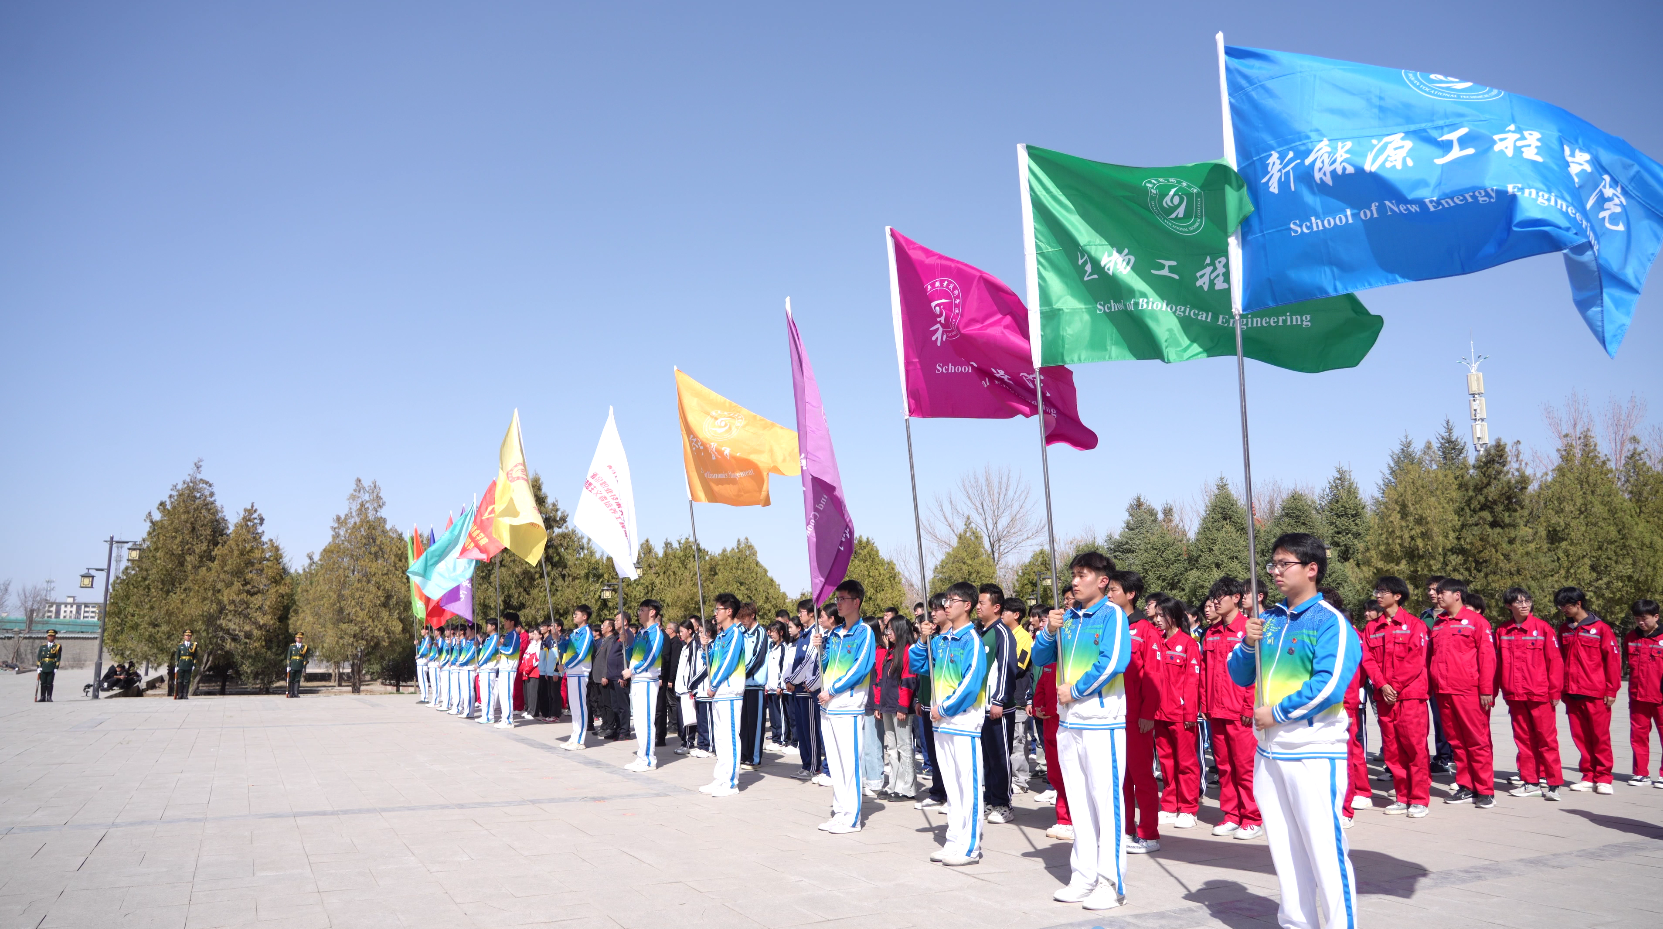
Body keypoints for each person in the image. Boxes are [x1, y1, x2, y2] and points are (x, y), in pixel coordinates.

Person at [1227, 533, 1361, 929]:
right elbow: (1239, 675)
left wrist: (1278, 713)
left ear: (1312, 569)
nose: (1275, 572)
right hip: (1269, 753)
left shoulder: (1331, 622)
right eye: (1273, 564)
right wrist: (1247, 644)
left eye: (1284, 564)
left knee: (1324, 850)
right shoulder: (1267, 621)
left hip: (1313, 750)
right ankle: (1297, 923)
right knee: (1285, 851)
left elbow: (1329, 684)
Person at [1032, 552, 1134, 911]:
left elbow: (1114, 661)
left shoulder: (1112, 615)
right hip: (1068, 723)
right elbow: (1041, 658)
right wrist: (1049, 630)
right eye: (1073, 575)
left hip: (1101, 723)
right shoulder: (1068, 618)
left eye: (1082, 575)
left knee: (1106, 804)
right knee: (1078, 803)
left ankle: (1111, 883)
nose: (1075, 582)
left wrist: (1075, 691)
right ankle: (1084, 876)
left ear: (1102, 581)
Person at [909, 581, 988, 866]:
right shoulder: (941, 640)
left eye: (951, 601)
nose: (945, 606)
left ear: (967, 605)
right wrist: (923, 640)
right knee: (952, 788)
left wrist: (944, 708)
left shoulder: (971, 640)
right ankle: (953, 840)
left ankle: (970, 847)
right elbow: (918, 664)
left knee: (968, 786)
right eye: (945, 601)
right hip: (941, 724)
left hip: (963, 723)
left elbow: (971, 682)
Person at [1362, 577, 1432, 816]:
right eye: (1377, 591)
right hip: (1385, 697)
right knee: (1392, 749)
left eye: (1383, 591)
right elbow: (1368, 659)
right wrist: (1382, 685)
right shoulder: (1372, 628)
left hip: (1410, 696)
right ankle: (1402, 797)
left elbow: (1416, 660)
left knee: (1415, 748)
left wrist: (1394, 686)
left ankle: (1419, 799)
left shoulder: (1415, 625)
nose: (1378, 595)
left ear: (1397, 596)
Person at [1202, 578, 1262, 838]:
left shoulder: (1248, 629)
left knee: (1245, 767)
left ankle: (1252, 817)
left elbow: (1255, 673)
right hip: (1216, 710)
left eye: (1221, 597)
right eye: (1214, 598)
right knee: (1224, 767)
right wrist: (1205, 704)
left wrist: (1249, 707)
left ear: (1236, 598)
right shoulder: (1212, 633)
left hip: (1240, 712)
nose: (1216, 602)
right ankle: (1232, 815)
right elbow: (1205, 672)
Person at [1429, 579, 1497, 808]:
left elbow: (1487, 657)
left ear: (1457, 595)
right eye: (1437, 592)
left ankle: (1485, 790)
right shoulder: (1439, 623)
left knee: (1477, 741)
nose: (1438, 596)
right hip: (1444, 691)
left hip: (1469, 691)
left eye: (1442, 592)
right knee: (1457, 742)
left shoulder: (1476, 622)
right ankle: (1466, 786)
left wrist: (1486, 689)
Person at [817, 580, 877, 832]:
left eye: (843, 599)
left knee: (849, 763)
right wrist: (820, 650)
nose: (838, 603)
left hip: (848, 707)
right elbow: (826, 666)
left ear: (856, 602)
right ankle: (840, 811)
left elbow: (860, 668)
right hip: (828, 707)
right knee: (835, 763)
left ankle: (852, 818)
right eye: (837, 599)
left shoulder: (864, 632)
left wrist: (832, 690)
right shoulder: (834, 634)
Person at [1495, 587, 1564, 800]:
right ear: (1509, 606)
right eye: (1519, 602)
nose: (1525, 605)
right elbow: (1496, 664)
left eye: (1527, 600)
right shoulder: (1502, 631)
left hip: (1540, 694)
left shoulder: (1543, 629)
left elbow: (1555, 661)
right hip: (1514, 695)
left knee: (1547, 740)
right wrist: (1493, 691)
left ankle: (1553, 784)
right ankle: (1530, 782)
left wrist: (1555, 692)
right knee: (1523, 740)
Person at [1110, 570, 1161, 852]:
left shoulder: (1145, 630)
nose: (1109, 595)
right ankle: (1126, 829)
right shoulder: (1111, 626)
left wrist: (1147, 714)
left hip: (1136, 716)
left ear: (1130, 594)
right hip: (1112, 714)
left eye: (1114, 590)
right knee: (1120, 777)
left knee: (1141, 776)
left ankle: (1149, 833)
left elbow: (1153, 675)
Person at [1557, 586, 1620, 794]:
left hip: (1595, 692)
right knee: (1580, 736)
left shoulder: (1601, 629)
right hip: (1571, 692)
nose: (1563, 609)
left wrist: (1611, 690)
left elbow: (1613, 661)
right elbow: (1560, 660)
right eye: (1560, 606)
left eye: (1566, 605)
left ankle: (1604, 778)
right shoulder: (1564, 629)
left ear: (1578, 604)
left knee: (1600, 737)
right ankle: (1588, 776)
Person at [1147, 596, 1200, 831]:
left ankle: (1188, 808)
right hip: (1159, 713)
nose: (1157, 619)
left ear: (1175, 616)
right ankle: (1170, 805)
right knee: (1166, 762)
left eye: (1162, 615)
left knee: (1186, 763)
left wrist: (1190, 713)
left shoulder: (1188, 644)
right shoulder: (1156, 642)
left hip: (1181, 714)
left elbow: (1192, 682)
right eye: (1156, 615)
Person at [975, 584, 1018, 825]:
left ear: (996, 606)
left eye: (982, 603)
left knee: (1000, 758)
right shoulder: (980, 632)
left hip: (997, 708)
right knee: (988, 758)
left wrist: (999, 700)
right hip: (980, 708)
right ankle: (990, 800)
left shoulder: (1003, 632)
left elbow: (1007, 668)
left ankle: (1004, 804)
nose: (978, 607)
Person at [703, 594, 746, 796]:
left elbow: (728, 662)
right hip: (719, 692)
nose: (715, 613)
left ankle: (731, 783)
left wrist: (714, 684)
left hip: (729, 691)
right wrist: (705, 647)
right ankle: (720, 778)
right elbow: (711, 661)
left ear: (729, 611)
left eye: (718, 609)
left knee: (730, 738)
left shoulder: (735, 634)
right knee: (720, 738)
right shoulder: (720, 636)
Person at [912, 595, 951, 812]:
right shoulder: (933, 640)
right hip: (929, 704)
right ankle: (938, 792)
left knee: (949, 754)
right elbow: (919, 668)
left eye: (937, 609)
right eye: (932, 609)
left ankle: (952, 795)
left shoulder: (961, 638)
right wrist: (919, 698)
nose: (933, 613)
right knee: (934, 752)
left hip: (949, 708)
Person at [874, 615, 918, 799]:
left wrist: (903, 706)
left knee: (904, 747)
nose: (888, 633)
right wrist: (878, 704)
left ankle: (907, 787)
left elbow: (909, 680)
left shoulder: (907, 651)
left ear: (900, 629)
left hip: (900, 708)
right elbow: (880, 680)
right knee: (891, 748)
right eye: (887, 629)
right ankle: (893, 784)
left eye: (891, 629)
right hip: (887, 705)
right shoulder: (890, 652)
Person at [623, 599, 666, 771]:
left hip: (647, 681)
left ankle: (649, 759)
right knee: (639, 722)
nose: (639, 613)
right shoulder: (641, 633)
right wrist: (626, 642)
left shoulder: (656, 633)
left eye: (642, 610)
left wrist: (632, 670)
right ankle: (642, 757)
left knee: (646, 721)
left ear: (652, 612)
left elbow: (650, 658)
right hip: (637, 680)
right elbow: (631, 655)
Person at [1625, 599, 1663, 787]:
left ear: (1656, 617)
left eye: (1644, 618)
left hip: (1660, 697)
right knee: (1638, 736)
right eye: (1637, 618)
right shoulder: (1631, 637)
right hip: (1638, 696)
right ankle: (1641, 773)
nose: (1641, 622)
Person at [1002, 596, 1036, 795]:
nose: (1001, 614)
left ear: (1016, 615)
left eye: (1005, 611)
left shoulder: (1023, 637)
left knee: (1018, 741)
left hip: (1017, 697)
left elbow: (1019, 666)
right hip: (1004, 697)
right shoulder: (1004, 634)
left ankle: (1020, 780)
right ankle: (1009, 778)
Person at [738, 602, 770, 770]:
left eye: (745, 617)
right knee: (743, 723)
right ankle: (744, 755)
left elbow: (757, 659)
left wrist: (741, 674)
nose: (742, 620)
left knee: (755, 724)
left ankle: (755, 758)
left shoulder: (761, 633)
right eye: (740, 617)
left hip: (755, 684)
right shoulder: (741, 632)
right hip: (742, 686)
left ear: (752, 616)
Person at [560, 607, 595, 749]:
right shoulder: (575, 633)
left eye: (577, 614)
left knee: (580, 706)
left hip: (580, 673)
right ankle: (574, 736)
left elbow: (581, 655)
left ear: (585, 616)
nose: (574, 616)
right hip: (572, 673)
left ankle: (580, 740)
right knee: (574, 706)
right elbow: (565, 648)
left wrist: (565, 665)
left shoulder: (586, 633)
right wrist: (559, 638)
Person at [673, 618, 704, 755]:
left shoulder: (694, 646)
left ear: (690, 631)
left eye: (682, 631)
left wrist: (690, 685)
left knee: (687, 718)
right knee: (682, 718)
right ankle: (685, 741)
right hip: (681, 688)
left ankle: (688, 742)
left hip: (687, 689)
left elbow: (693, 668)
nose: (680, 634)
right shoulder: (684, 647)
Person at [764, 619, 791, 750]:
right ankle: (775, 738)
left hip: (778, 688)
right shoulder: (772, 647)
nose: (771, 634)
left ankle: (782, 739)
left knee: (780, 715)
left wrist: (780, 685)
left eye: (774, 632)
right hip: (770, 687)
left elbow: (783, 668)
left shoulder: (784, 648)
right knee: (773, 716)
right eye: (771, 631)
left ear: (781, 632)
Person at [476, 621, 500, 723]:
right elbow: (482, 653)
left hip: (489, 669)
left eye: (488, 626)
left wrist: (479, 664)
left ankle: (489, 716)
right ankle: (484, 715)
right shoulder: (488, 639)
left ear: (493, 626)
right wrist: (478, 647)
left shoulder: (495, 638)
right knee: (484, 694)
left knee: (488, 694)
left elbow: (488, 654)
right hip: (484, 669)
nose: (486, 627)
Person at [35, 630, 62, 702]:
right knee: (43, 683)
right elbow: (39, 657)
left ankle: (49, 697)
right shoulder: (42, 647)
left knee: (49, 683)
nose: (50, 637)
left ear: (55, 637)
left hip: (51, 666)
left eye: (52, 636)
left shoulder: (57, 646)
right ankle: (42, 697)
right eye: (49, 636)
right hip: (43, 666)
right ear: (47, 637)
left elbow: (58, 658)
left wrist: (56, 668)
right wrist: (38, 667)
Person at [174, 630, 199, 700]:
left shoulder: (193, 645)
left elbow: (195, 656)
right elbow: (177, 656)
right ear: (184, 636)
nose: (188, 637)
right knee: (180, 680)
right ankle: (180, 694)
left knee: (187, 680)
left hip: (189, 664)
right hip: (181, 665)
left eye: (189, 635)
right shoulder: (180, 645)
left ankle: (185, 694)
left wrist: (194, 665)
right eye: (187, 635)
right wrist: (176, 666)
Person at [286, 632, 309, 699]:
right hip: (293, 665)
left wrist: (304, 667)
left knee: (297, 679)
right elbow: (288, 657)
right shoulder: (292, 646)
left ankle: (296, 693)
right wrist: (288, 665)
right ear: (295, 638)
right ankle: (291, 693)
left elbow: (305, 658)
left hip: (299, 665)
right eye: (298, 638)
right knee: (291, 679)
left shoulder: (304, 647)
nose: (299, 639)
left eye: (300, 638)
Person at [415, 627, 435, 704]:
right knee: (421, 680)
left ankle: (425, 697)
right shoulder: (424, 640)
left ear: (427, 631)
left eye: (423, 629)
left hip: (423, 661)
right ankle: (423, 696)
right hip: (420, 662)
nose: (421, 631)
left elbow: (425, 651)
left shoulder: (428, 640)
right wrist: (417, 645)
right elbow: (421, 650)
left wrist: (419, 656)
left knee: (423, 680)